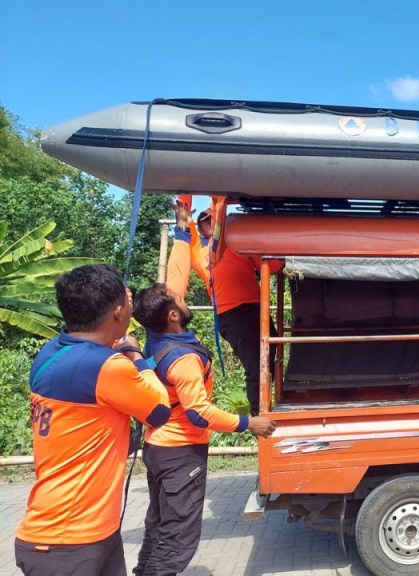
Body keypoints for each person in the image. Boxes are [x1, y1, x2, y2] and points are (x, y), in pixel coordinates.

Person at [130, 201, 277, 575]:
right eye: (206, 222)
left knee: (160, 526)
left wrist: (184, 225)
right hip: (180, 450)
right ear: (175, 315)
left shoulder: (156, 335)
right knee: (179, 537)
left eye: (213, 221)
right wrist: (249, 423)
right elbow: (198, 411)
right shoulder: (182, 357)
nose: (185, 295)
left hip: (160, 446)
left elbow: (177, 274)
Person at [15, 264, 171, 576]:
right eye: (127, 302)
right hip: (70, 542)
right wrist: (137, 355)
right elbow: (159, 409)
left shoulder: (50, 354)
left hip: (79, 534)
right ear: (117, 312)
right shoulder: (109, 367)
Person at [185, 202, 281, 415]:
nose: (212, 223)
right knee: (256, 363)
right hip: (232, 314)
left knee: (270, 353)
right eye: (206, 221)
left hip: (256, 308)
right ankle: (260, 414)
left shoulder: (239, 246)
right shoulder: (202, 254)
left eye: (214, 219)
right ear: (202, 229)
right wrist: (185, 218)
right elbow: (187, 235)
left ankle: (268, 402)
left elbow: (270, 266)